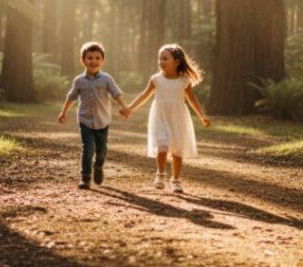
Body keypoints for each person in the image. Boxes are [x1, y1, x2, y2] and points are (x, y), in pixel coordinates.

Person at [125, 44, 210, 193]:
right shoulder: (156, 79)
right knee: (162, 145)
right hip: (160, 116)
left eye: (165, 59)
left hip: (178, 117)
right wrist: (130, 108)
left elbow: (192, 99)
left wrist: (202, 116)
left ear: (176, 62)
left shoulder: (184, 81)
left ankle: (176, 180)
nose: (161, 62)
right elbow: (144, 96)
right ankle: (160, 174)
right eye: (160, 59)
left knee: (177, 150)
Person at [58, 42, 131, 189]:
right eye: (90, 58)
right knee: (88, 149)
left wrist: (124, 107)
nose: (93, 61)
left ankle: (98, 166)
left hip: (103, 121)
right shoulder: (79, 80)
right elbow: (71, 97)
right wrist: (63, 112)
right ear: (83, 60)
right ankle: (85, 177)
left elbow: (116, 93)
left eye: (97, 58)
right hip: (85, 121)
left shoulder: (106, 79)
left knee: (101, 151)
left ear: (102, 61)